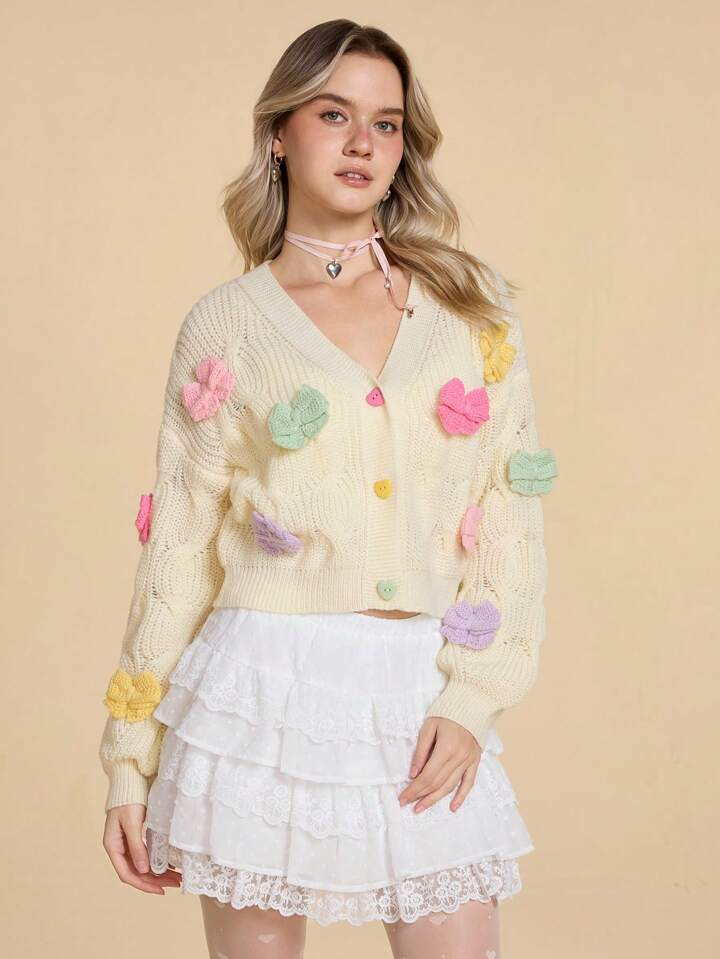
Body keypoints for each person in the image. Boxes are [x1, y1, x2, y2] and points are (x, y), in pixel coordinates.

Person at [98, 18, 558, 959]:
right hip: (260, 696)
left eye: (386, 123)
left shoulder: (470, 308)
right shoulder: (227, 325)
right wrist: (128, 760)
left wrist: (472, 698)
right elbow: (178, 550)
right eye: (333, 114)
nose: (362, 143)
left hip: (421, 692)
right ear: (280, 132)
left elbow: (511, 517)